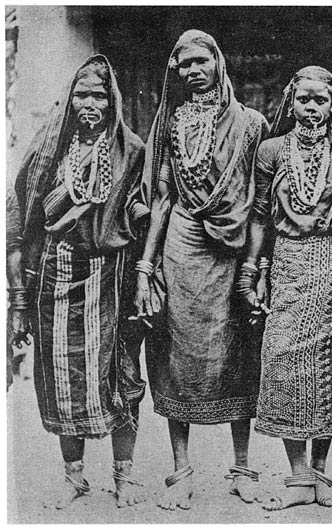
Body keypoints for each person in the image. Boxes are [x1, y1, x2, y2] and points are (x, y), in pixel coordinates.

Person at [134, 30, 269, 510]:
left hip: (232, 251)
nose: (193, 71)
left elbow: (259, 206)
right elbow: (163, 198)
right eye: (184, 64)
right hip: (181, 245)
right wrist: (147, 265)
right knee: (176, 353)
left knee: (238, 349)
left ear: (218, 62)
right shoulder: (171, 121)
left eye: (200, 62)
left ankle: (241, 467)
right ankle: (181, 471)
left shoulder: (250, 124)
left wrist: (255, 267)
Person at [7, 55, 148, 509]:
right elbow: (20, 216)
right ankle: (75, 477)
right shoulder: (50, 146)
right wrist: (19, 299)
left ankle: (124, 476)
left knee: (120, 376)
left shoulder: (132, 151)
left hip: (113, 280)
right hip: (55, 277)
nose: (90, 102)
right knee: (61, 377)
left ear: (113, 101)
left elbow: (143, 215)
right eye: (82, 94)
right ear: (70, 99)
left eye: (99, 95)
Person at [239, 65, 332, 511]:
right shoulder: (272, 150)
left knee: (330, 368)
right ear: (290, 103)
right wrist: (253, 271)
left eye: (320, 100)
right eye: (303, 99)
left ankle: (317, 474)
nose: (311, 108)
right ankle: (297, 476)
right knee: (282, 363)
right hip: (287, 265)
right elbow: (258, 215)